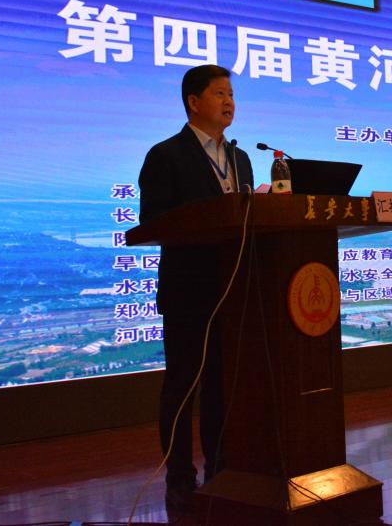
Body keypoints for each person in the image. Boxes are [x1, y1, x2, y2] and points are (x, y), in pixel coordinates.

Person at [138, 64, 254, 513]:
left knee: (222, 387)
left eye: (232, 95)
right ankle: (180, 476)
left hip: (233, 291)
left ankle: (220, 468)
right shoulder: (166, 155)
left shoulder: (241, 159)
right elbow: (154, 221)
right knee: (182, 387)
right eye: (220, 93)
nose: (229, 102)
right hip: (189, 289)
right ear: (193, 101)